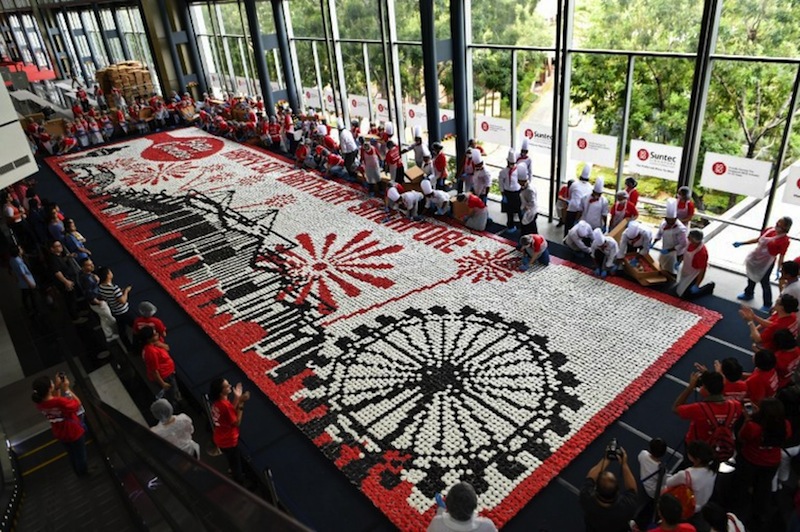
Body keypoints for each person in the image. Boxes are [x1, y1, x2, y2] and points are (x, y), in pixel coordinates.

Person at [736, 397, 790, 527]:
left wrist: (747, 420)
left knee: (742, 486)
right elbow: (786, 436)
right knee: (763, 489)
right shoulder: (785, 425)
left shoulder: (753, 427)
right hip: (772, 463)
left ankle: (739, 511)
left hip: (750, 460)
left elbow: (741, 437)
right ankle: (758, 516)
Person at [673, 371, 742, 457]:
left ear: (705, 389)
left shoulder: (698, 409)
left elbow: (676, 408)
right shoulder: (736, 406)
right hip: (720, 448)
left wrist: (690, 387)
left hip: (697, 449)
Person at [31, 373, 88, 476]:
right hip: (72, 431)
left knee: (72, 454)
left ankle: (78, 472)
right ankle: (83, 473)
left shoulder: (40, 404)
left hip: (60, 432)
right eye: (52, 383)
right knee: (80, 454)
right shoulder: (59, 402)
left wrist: (57, 388)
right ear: (49, 388)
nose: (53, 382)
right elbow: (77, 404)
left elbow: (56, 402)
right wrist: (66, 389)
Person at [735, 216, 792, 313]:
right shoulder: (769, 230)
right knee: (751, 276)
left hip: (767, 262)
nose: (777, 226)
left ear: (786, 228)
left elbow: (781, 255)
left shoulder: (784, 240)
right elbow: (758, 239)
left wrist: (779, 269)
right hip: (756, 257)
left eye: (780, 225)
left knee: (764, 282)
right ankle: (748, 293)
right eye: (777, 223)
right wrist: (742, 243)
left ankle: (767, 303)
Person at [579, 445, 638, 532]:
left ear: (596, 489)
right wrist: (624, 465)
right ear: (617, 491)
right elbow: (632, 490)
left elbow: (590, 478)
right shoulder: (626, 506)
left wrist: (606, 459)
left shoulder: (586, 498)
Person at [209, 377, 250, 485]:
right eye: (227, 386)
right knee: (235, 463)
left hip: (220, 438)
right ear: (221, 391)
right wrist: (241, 403)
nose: (230, 386)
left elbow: (230, 410)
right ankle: (239, 482)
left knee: (232, 458)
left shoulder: (218, 403)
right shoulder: (224, 405)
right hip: (228, 441)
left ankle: (234, 470)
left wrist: (236, 398)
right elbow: (236, 422)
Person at [662, 440, 717, 516]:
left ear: (697, 459)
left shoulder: (686, 475)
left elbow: (668, 482)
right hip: (702, 506)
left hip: (687, 507)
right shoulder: (713, 470)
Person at [428, 481, 497, 532]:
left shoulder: (437, 523)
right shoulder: (486, 526)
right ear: (474, 505)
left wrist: (441, 511)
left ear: (448, 505)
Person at [138, 326, 179, 407]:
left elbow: (167, 348)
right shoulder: (151, 352)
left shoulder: (156, 343)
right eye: (154, 334)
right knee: (171, 393)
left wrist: (160, 344)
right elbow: (154, 371)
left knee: (174, 390)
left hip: (169, 372)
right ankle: (173, 406)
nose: (157, 334)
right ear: (149, 339)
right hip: (165, 376)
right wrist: (163, 383)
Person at [79, 258, 118, 343]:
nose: (92, 266)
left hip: (96, 301)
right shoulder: (86, 279)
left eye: (92, 263)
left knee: (103, 319)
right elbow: (89, 293)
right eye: (89, 265)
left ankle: (108, 335)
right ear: (83, 267)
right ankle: (116, 333)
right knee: (111, 319)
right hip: (97, 302)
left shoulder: (85, 275)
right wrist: (98, 302)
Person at [96, 266, 134, 345]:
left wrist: (119, 293)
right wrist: (126, 291)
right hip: (123, 311)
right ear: (108, 275)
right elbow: (123, 301)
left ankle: (128, 347)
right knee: (135, 325)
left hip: (115, 312)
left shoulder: (100, 287)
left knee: (122, 331)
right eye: (110, 272)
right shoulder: (114, 288)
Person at [635, 437, 667, 529]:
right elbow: (663, 482)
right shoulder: (661, 469)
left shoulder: (643, 454)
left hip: (645, 483)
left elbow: (639, 458)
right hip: (654, 493)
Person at [676, 229, 715, 299]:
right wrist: (679, 261)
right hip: (686, 269)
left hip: (694, 273)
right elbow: (685, 253)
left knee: (686, 295)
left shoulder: (701, 253)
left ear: (695, 240)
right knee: (679, 290)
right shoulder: (689, 242)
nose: (688, 238)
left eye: (689, 237)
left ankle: (709, 287)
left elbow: (702, 270)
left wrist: (697, 284)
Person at [653, 199, 688, 273]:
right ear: (665, 219)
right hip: (665, 248)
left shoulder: (680, 229)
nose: (670, 222)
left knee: (672, 270)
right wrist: (653, 242)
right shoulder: (663, 224)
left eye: (672, 220)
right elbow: (659, 234)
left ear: (676, 218)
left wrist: (669, 250)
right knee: (662, 267)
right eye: (668, 220)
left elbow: (683, 244)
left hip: (676, 253)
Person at [9, 245, 39, 316]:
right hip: (27, 282)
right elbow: (23, 274)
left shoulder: (12, 260)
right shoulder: (18, 262)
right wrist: (30, 283)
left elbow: (12, 271)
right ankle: (34, 310)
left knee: (25, 296)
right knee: (32, 296)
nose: (21, 249)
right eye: (20, 249)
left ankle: (29, 309)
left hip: (21, 282)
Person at [564, 163, 593, 235]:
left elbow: (570, 195)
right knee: (578, 229)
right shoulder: (590, 187)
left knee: (568, 226)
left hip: (572, 208)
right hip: (582, 210)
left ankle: (566, 238)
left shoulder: (574, 184)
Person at [499, 149, 521, 233]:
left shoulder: (518, 170)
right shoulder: (503, 171)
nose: (512, 165)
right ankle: (510, 225)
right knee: (509, 211)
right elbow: (501, 182)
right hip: (508, 192)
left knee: (519, 210)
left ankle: (521, 226)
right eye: (510, 163)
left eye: (513, 163)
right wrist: (502, 193)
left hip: (517, 192)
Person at [517, 165, 538, 236]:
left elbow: (532, 203)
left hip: (530, 212)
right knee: (525, 229)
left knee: (530, 230)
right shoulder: (525, 188)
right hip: (526, 211)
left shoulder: (529, 190)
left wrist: (526, 208)